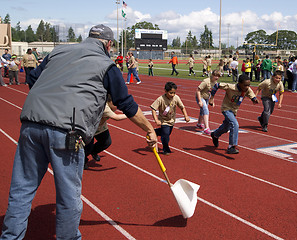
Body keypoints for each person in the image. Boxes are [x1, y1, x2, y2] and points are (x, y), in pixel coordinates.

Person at [0, 24, 157, 240]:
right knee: (68, 195)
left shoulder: (58, 51)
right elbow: (126, 103)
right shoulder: (107, 65)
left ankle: (10, 237)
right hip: (67, 131)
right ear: (109, 44)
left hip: (31, 124)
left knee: (21, 189)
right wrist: (149, 129)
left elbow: (33, 78)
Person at [209, 74, 259, 154]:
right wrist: (211, 98)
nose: (247, 87)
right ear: (239, 83)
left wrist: (254, 99)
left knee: (226, 128)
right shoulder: (231, 87)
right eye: (245, 85)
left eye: (248, 85)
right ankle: (231, 146)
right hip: (226, 109)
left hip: (234, 111)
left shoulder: (247, 90)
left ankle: (215, 134)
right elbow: (217, 85)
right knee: (235, 124)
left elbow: (251, 94)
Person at [84, 96, 128, 170]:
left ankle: (94, 151)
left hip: (100, 126)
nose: (117, 107)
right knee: (88, 147)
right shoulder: (104, 107)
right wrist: (130, 114)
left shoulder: (112, 105)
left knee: (106, 142)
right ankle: (83, 161)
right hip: (90, 127)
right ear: (109, 102)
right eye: (115, 105)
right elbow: (116, 117)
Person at [151, 82, 190, 155]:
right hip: (163, 121)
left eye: (174, 93)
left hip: (171, 121)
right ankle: (166, 149)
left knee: (166, 134)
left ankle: (156, 132)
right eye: (170, 93)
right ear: (165, 91)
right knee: (165, 135)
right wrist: (156, 120)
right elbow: (153, 109)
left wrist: (186, 116)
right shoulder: (160, 99)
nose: (172, 95)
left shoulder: (176, 98)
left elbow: (182, 107)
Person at [196, 70, 221, 135]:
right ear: (212, 75)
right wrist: (199, 101)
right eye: (216, 76)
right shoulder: (206, 81)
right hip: (201, 96)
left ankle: (199, 123)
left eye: (218, 76)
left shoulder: (215, 82)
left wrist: (212, 100)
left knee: (202, 111)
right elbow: (198, 90)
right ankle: (206, 128)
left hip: (207, 97)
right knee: (205, 110)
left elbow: (212, 92)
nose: (217, 78)